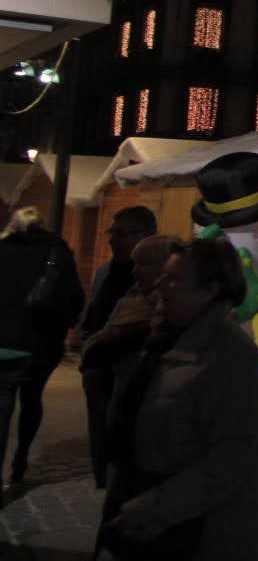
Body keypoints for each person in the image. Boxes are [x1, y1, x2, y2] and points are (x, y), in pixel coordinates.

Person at [96, 235, 258, 560]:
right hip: (152, 512)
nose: (160, 283)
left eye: (174, 278)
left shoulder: (234, 358)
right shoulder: (166, 339)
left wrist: (154, 505)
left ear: (209, 290)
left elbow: (233, 456)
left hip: (205, 529)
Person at [0, 208, 83, 488]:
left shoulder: (3, 249)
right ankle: (21, 457)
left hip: (4, 342)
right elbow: (74, 297)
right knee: (32, 399)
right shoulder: (57, 251)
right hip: (41, 340)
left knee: (4, 400)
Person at [82, 205, 157, 488]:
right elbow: (92, 317)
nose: (113, 239)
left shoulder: (158, 278)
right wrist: (89, 361)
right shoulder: (105, 272)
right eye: (112, 232)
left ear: (145, 235)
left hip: (134, 376)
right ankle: (104, 484)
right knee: (102, 439)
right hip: (100, 373)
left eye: (121, 233)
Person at [80, 236, 176, 399]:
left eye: (143, 264)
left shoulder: (169, 311)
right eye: (135, 263)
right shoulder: (134, 298)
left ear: (164, 268)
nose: (135, 270)